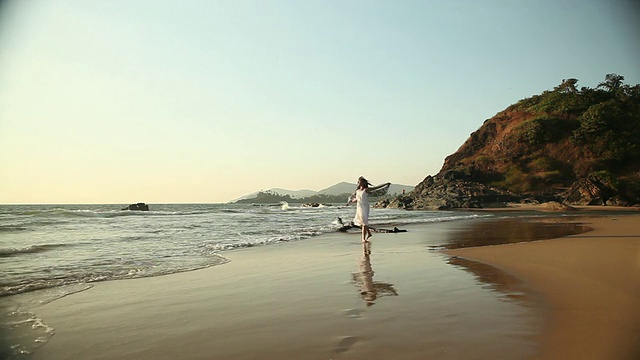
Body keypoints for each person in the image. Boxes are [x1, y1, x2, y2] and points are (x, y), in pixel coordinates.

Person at [347, 176, 391, 243]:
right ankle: (369, 233)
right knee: (362, 223)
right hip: (359, 208)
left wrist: (385, 184)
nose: (360, 183)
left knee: (364, 223)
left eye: (361, 182)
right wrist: (350, 202)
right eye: (359, 182)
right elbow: (357, 199)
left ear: (364, 182)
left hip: (365, 207)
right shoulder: (357, 191)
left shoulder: (366, 190)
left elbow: (376, 188)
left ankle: (363, 239)